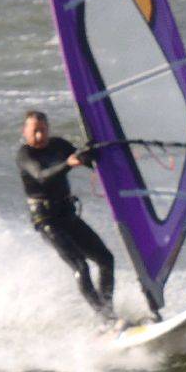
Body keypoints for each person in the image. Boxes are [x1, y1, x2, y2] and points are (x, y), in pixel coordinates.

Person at [15, 109, 115, 323]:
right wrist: (68, 164)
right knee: (81, 266)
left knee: (106, 259)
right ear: (25, 132)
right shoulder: (25, 155)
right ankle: (105, 319)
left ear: (48, 129)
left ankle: (109, 311)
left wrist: (94, 154)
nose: (39, 136)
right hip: (46, 220)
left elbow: (86, 160)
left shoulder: (59, 145)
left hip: (67, 215)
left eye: (43, 130)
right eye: (34, 131)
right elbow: (42, 176)